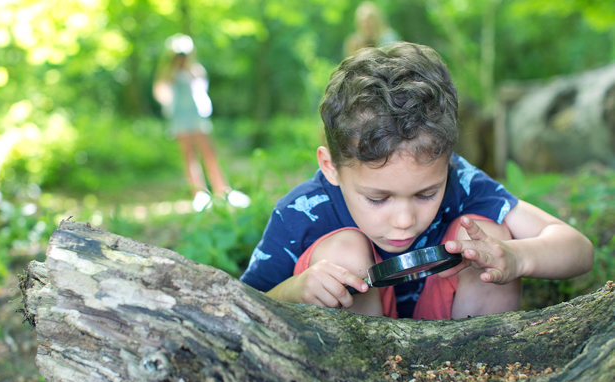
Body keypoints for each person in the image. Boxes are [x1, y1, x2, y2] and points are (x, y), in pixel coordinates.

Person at [240, 43, 594, 319]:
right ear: (330, 166)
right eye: (378, 199)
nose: (404, 220)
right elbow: (245, 306)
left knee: (490, 238)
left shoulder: (462, 183)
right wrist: (295, 290)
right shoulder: (301, 212)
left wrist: (516, 257)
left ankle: (476, 370)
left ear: (447, 164)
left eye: (426, 193)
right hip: (352, 358)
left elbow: (576, 248)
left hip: (453, 342)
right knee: (343, 254)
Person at [153, 33, 250, 212]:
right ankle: (199, 194)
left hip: (197, 116)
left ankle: (223, 190)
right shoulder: (168, 74)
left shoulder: (195, 70)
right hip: (180, 118)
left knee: (209, 153)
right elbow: (161, 93)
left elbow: (201, 92)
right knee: (188, 155)